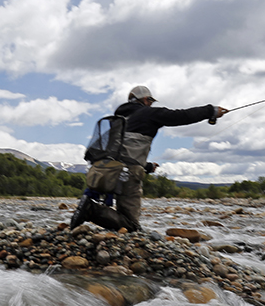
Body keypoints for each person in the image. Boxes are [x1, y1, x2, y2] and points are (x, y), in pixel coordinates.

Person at [71, 85, 227, 231]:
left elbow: (121, 152)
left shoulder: (118, 120)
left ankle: (89, 209)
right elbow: (180, 116)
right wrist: (210, 111)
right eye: (150, 101)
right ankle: (91, 209)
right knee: (131, 224)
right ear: (145, 100)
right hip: (129, 173)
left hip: (108, 171)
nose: (151, 104)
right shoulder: (147, 113)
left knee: (123, 219)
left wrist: (147, 166)